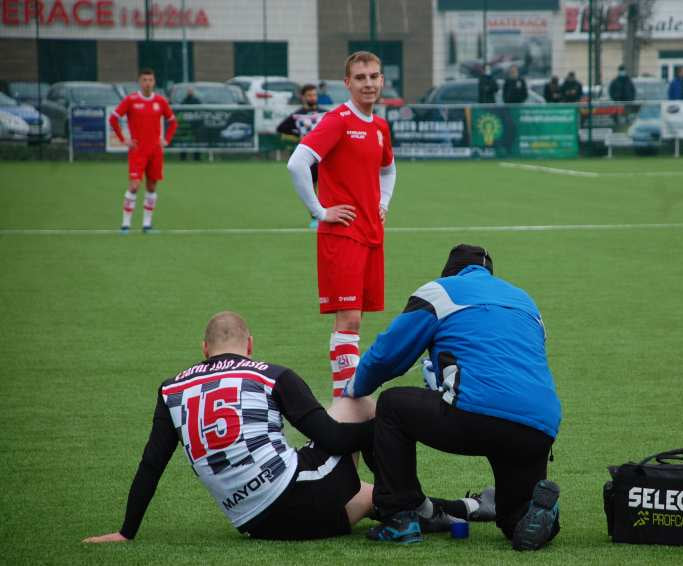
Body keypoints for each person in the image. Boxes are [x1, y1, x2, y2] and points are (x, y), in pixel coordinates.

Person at [82, 311, 377, 543]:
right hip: (299, 499)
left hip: (259, 525)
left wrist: (126, 531)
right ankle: (404, 495)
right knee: (355, 402)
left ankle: (413, 508)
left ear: (204, 349)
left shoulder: (171, 390)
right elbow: (333, 439)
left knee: (375, 497)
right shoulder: (272, 375)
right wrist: (382, 428)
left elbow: (151, 463)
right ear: (249, 344)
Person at [343, 244, 562, 551]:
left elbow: (387, 356)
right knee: (514, 519)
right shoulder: (524, 301)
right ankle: (539, 513)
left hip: (477, 413)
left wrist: (353, 388)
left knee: (392, 405)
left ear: (449, 272)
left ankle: (399, 517)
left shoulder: (441, 292)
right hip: (539, 427)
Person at [286, 52, 396, 403]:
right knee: (348, 320)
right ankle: (345, 404)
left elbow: (388, 169)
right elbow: (297, 162)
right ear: (347, 83)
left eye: (374, 77)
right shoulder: (338, 120)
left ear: (381, 81)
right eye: (360, 77)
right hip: (343, 234)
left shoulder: (379, 127)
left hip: (370, 234)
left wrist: (383, 203)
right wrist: (319, 210)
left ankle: (348, 400)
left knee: (357, 321)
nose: (368, 83)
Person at [109, 68, 177, 234]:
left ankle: (147, 225)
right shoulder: (131, 100)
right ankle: (125, 225)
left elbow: (173, 121)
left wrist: (166, 139)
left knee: (152, 187)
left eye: (150, 80)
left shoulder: (160, 101)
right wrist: (124, 139)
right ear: (140, 82)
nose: (148, 83)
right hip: (138, 151)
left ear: (154, 82)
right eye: (145, 80)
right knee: (134, 186)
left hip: (155, 152)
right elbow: (113, 118)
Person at [278, 84, 328, 229]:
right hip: (309, 157)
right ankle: (315, 217)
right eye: (310, 95)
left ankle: (327, 215)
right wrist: (298, 135)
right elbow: (281, 128)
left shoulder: (326, 114)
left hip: (325, 156)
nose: (313, 98)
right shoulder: (297, 114)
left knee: (327, 188)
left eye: (314, 95)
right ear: (303, 97)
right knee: (311, 187)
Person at [179, 87, 201, 162]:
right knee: (184, 142)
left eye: (191, 91)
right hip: (186, 125)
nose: (190, 92)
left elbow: (200, 111)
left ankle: (197, 157)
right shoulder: (184, 100)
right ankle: (183, 157)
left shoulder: (197, 100)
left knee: (196, 141)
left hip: (195, 125)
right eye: (189, 91)